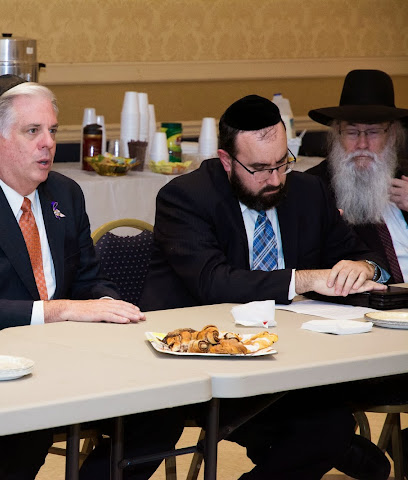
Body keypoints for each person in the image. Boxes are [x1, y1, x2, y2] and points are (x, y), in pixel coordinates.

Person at [0, 75, 180, 479]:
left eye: (53, 131)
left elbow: (90, 279)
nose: (48, 143)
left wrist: (107, 305)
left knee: (162, 407)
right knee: (28, 428)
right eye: (33, 131)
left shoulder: (65, 193)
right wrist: (62, 310)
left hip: (72, 358)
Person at [140, 95, 390, 480]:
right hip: (208, 361)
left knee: (329, 423)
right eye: (259, 168)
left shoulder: (308, 192)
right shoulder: (187, 197)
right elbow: (214, 281)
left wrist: (363, 267)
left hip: (292, 358)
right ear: (227, 161)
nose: (274, 179)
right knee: (321, 431)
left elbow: (365, 254)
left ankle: (330, 445)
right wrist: (303, 278)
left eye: (281, 163)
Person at [306, 69, 408, 475]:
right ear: (336, 135)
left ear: (393, 136)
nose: (362, 144)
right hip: (362, 340)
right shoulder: (312, 191)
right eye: (352, 132)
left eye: (374, 132)